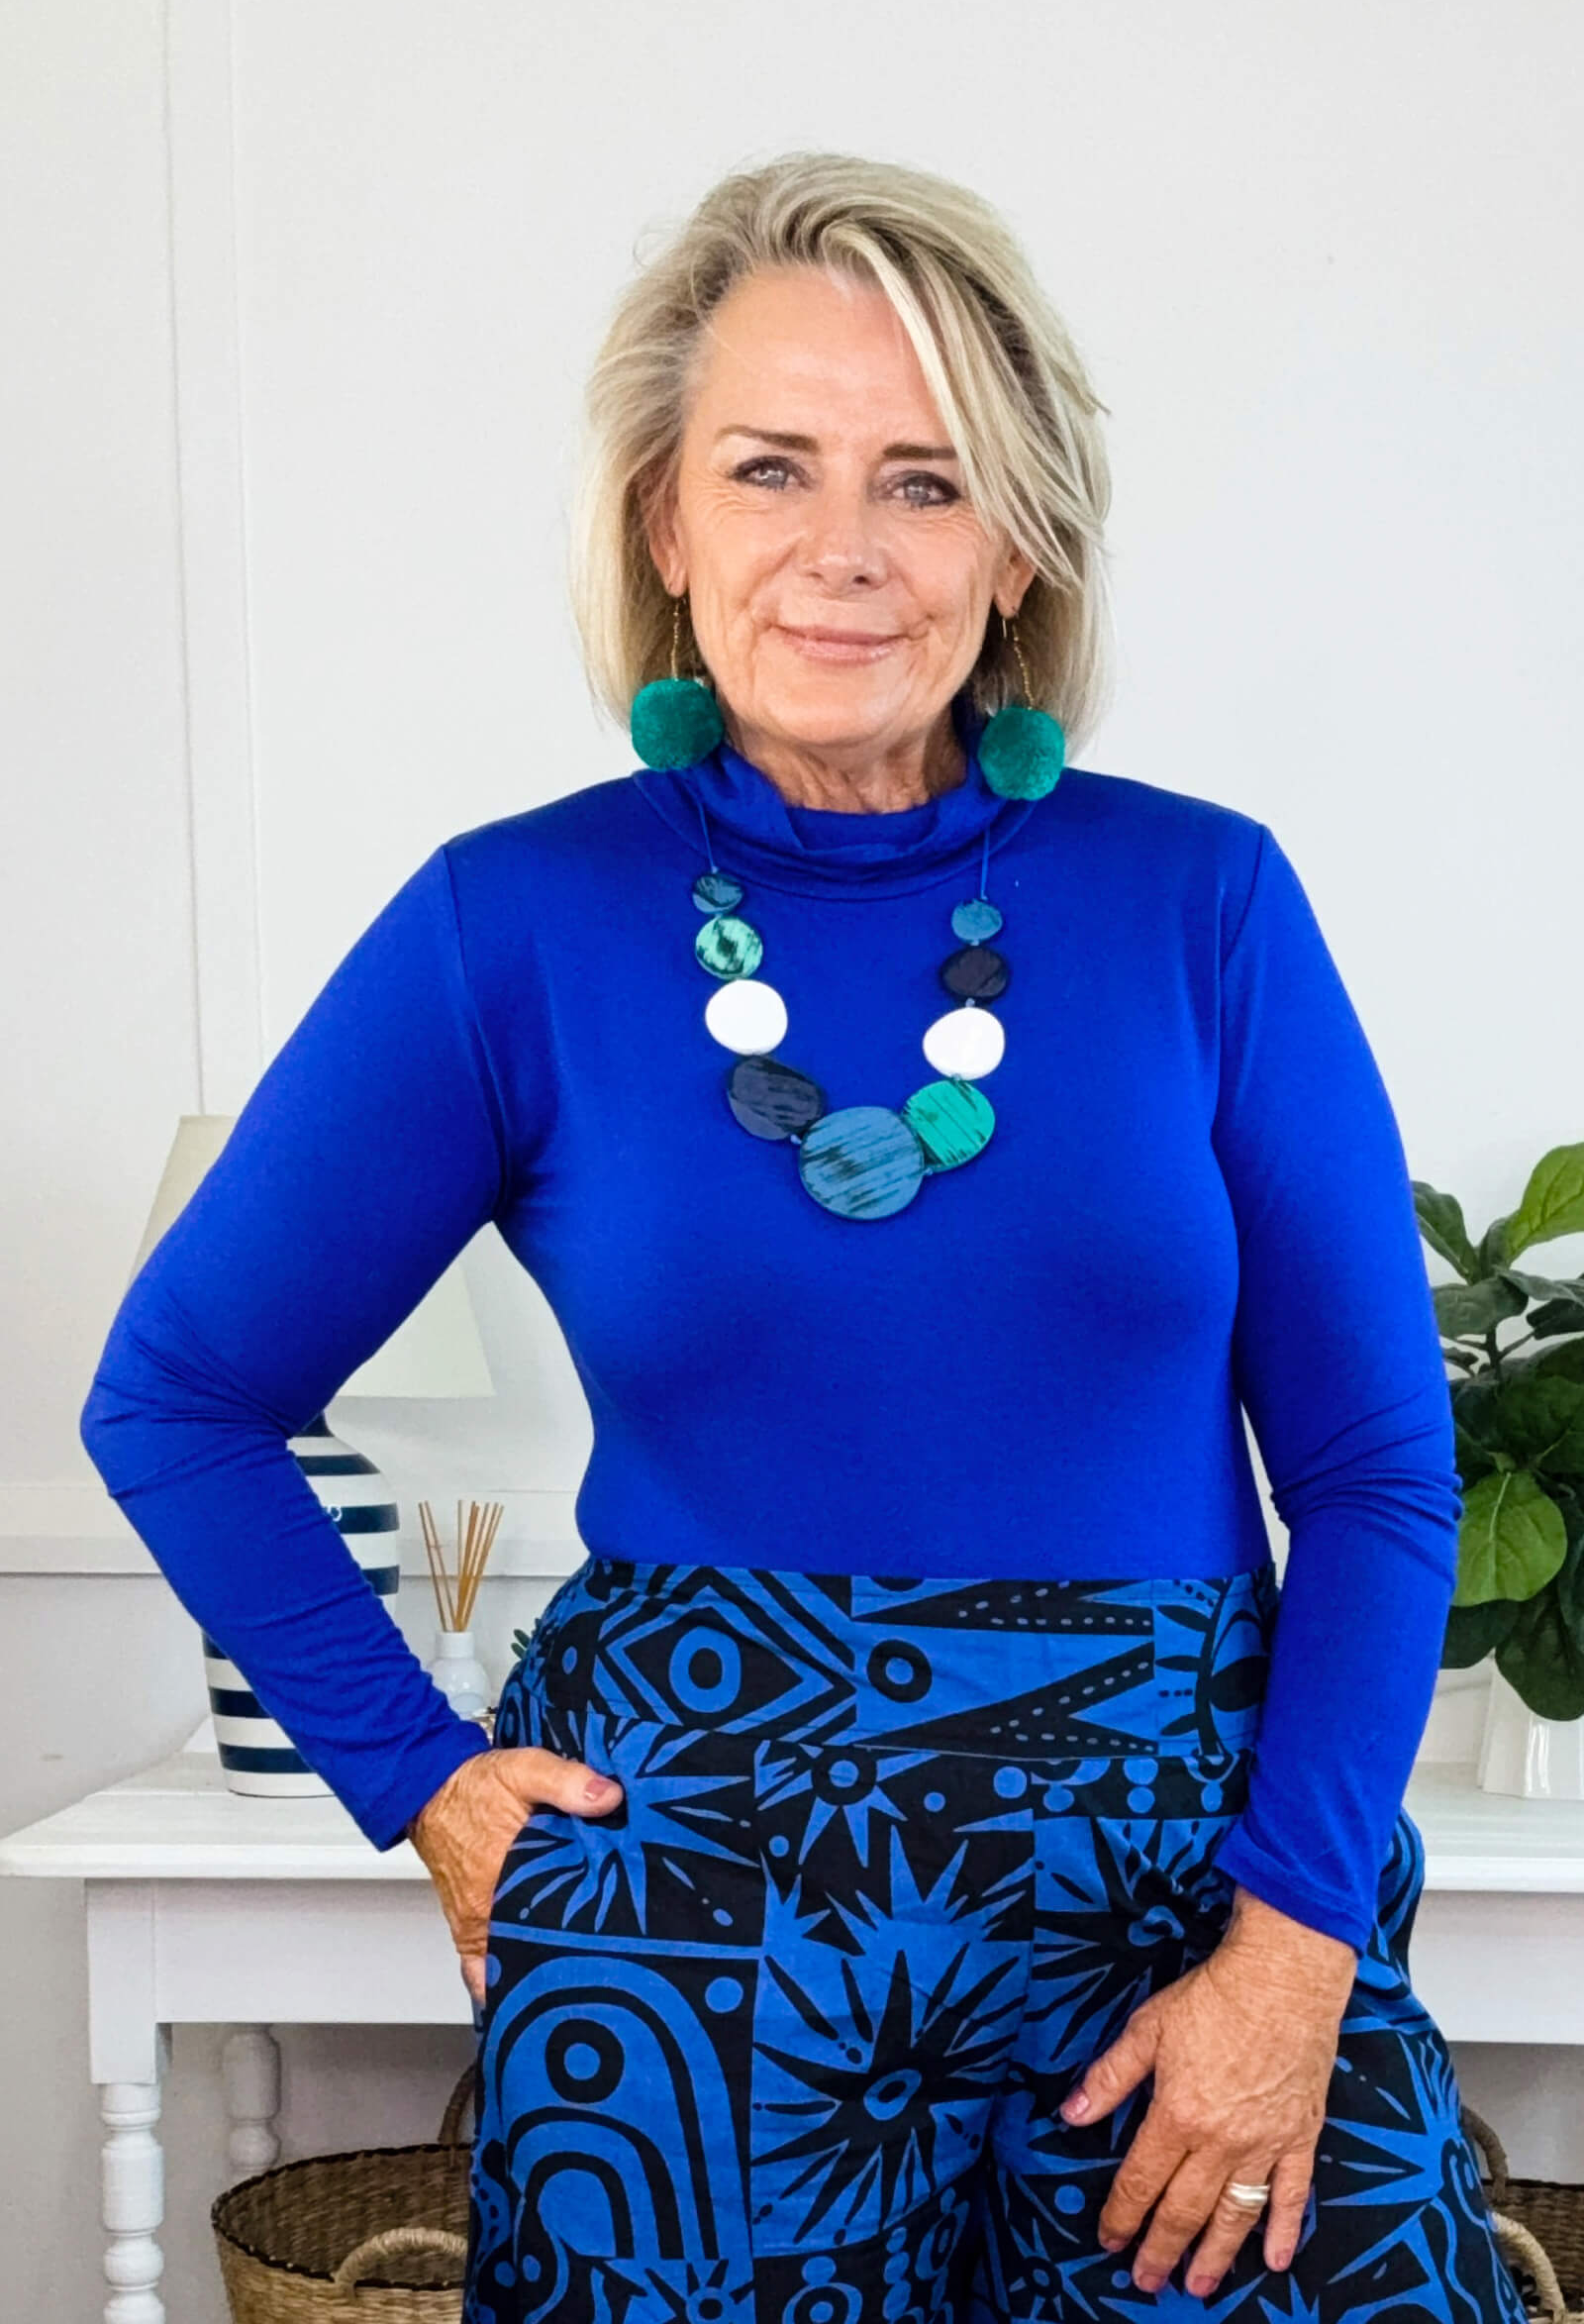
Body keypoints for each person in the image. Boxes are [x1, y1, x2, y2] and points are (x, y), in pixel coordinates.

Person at [78, 150, 1522, 2323]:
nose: (842, 548)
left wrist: (1297, 1945)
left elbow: (1377, 1470)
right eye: (769, 468)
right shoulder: (511, 924)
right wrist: (421, 1781)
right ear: (665, 524)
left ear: (1016, 545)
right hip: (694, 1916)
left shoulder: (1203, 901)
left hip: (1192, 1906)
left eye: (922, 483)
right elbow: (178, 1392)